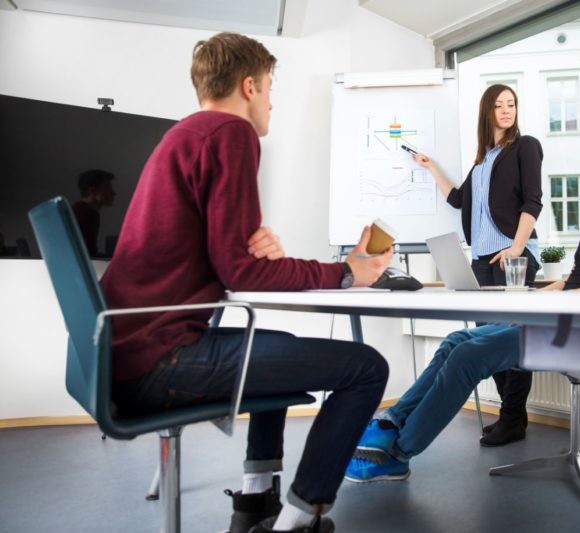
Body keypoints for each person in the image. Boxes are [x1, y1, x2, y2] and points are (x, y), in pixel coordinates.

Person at [100, 32, 393, 533]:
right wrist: (348, 273)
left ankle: (256, 501)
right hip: (160, 361)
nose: (274, 104)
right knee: (367, 368)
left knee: (275, 345)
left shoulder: (186, 136)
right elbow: (243, 272)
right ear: (251, 85)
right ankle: (301, 518)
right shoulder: (231, 135)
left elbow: (229, 258)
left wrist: (257, 249)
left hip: (126, 354)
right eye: (272, 89)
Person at [344, 122, 580, 483]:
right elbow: (574, 280)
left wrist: (559, 303)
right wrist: (538, 299)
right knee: (456, 342)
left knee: (469, 356)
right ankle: (391, 421)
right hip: (560, 321)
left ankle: (399, 453)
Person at [411, 84, 543, 446]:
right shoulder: (482, 161)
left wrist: (517, 247)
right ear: (487, 112)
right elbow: (458, 199)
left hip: (511, 257)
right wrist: (431, 167)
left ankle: (512, 418)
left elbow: (533, 200)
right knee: (488, 342)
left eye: (511, 104)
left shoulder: (525, 147)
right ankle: (513, 415)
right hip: (483, 260)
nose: (506, 110)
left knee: (510, 341)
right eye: (499, 105)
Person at [71, 168, 116, 257]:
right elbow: (90, 255)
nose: (114, 193)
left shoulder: (76, 209)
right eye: (108, 188)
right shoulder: (89, 213)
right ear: (94, 191)